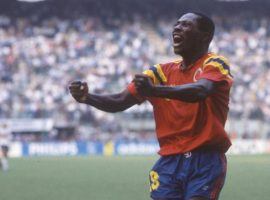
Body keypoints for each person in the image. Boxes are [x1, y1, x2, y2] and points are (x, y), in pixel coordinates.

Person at [69, 12, 233, 200]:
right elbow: (119, 101)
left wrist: (154, 91)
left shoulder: (215, 63)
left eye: (186, 25)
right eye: (176, 24)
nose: (177, 28)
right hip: (169, 161)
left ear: (205, 36)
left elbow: (201, 90)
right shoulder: (159, 72)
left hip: (204, 158)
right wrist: (87, 98)